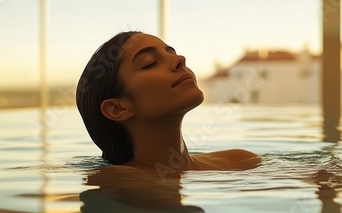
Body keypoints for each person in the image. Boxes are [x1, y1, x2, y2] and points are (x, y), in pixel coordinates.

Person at [76, 31, 261, 171]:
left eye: (171, 53)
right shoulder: (114, 185)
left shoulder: (242, 160)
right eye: (150, 63)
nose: (180, 60)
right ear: (117, 108)